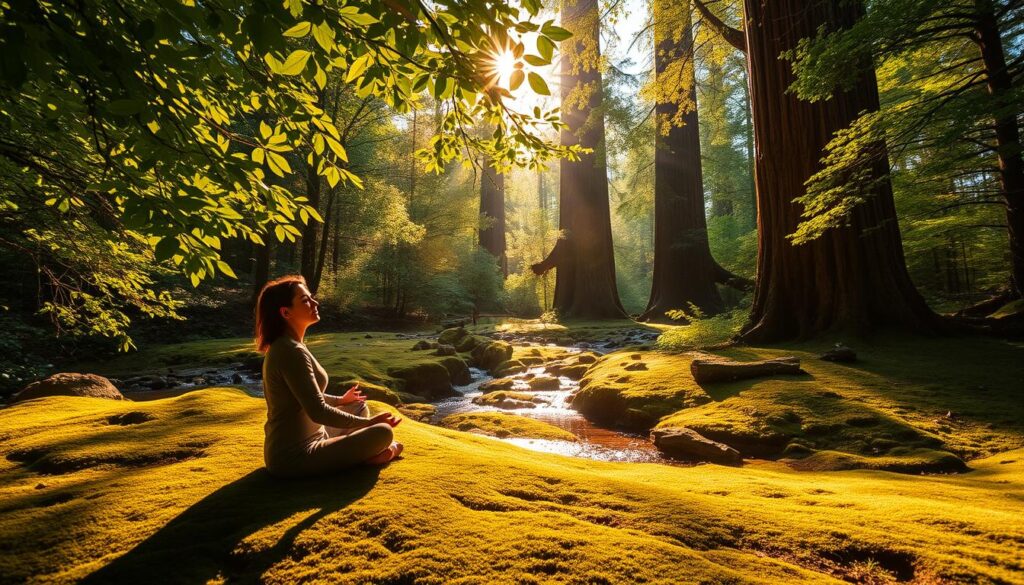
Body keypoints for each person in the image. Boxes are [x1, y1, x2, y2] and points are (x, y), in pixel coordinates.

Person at [255, 275, 402, 477]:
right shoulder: (289, 351)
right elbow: (318, 411)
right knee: (383, 432)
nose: (315, 302)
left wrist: (340, 400)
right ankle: (369, 455)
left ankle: (358, 452)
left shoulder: (293, 346)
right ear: (286, 312)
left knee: (358, 406)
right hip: (294, 456)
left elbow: (305, 396)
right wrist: (368, 424)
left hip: (317, 434)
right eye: (306, 300)